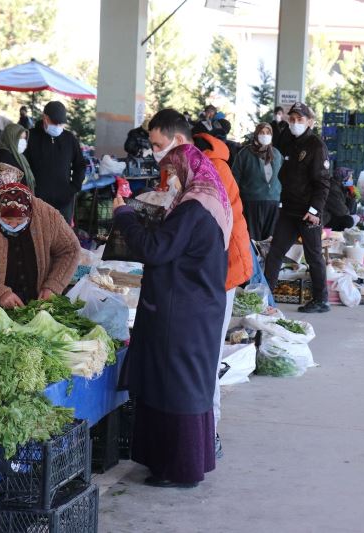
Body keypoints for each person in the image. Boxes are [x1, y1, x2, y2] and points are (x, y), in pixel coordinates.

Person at [112, 142, 233, 488]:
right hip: (197, 307)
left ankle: (179, 469)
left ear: (187, 170)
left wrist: (125, 218)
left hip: (183, 313)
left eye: (174, 173)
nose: (171, 181)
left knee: (177, 387)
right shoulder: (210, 201)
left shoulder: (193, 208)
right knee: (186, 384)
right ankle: (175, 463)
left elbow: (155, 249)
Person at [148, 108, 252, 458]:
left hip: (216, 277)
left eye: (157, 144)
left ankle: (210, 435)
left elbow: (195, 231)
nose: (154, 151)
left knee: (202, 359)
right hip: (192, 278)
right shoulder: (179, 167)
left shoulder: (212, 171)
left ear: (178, 141)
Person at [0, 164, 80, 318]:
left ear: (30, 212)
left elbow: (70, 249)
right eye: (7, 219)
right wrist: (0, 293)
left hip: (34, 306)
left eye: (20, 220)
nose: (13, 224)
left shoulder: (45, 213)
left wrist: (52, 286)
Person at [263, 102, 331, 313]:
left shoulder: (316, 146)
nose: (295, 123)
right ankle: (265, 297)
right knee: (275, 253)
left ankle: (321, 300)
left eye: (300, 120)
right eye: (292, 119)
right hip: (289, 210)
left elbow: (322, 183)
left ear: (309, 122)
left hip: (307, 212)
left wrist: (314, 211)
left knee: (313, 256)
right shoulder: (287, 140)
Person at [24, 101, 86, 224]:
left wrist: (73, 188)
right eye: (55, 123)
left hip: (64, 203)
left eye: (61, 124)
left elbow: (80, 165)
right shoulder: (31, 137)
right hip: (37, 202)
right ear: (45, 118)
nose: (58, 127)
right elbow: (23, 166)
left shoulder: (70, 139)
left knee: (63, 239)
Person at [231, 122, 282, 240]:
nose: (265, 135)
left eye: (268, 133)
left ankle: (267, 259)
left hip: (273, 203)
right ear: (256, 134)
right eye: (262, 132)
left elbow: (283, 178)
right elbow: (234, 178)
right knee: (252, 240)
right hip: (251, 203)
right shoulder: (245, 153)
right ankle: (253, 259)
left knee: (270, 240)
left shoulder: (277, 154)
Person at [0, 123, 36, 191]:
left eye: (25, 138)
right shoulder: (3, 158)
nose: (24, 142)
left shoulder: (18, 156)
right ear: (11, 138)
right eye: (20, 138)